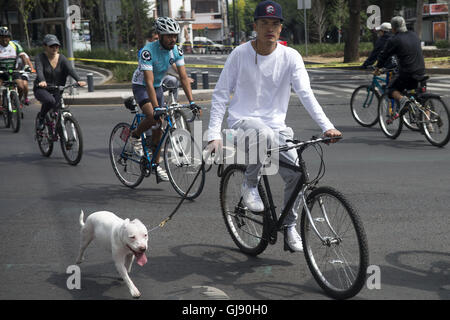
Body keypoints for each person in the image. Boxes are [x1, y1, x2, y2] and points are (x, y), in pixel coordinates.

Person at [206, 0, 341, 252]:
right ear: (255, 26)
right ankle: (249, 183)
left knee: (298, 175)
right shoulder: (239, 54)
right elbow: (221, 94)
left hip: (277, 128)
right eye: (264, 23)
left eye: (275, 24)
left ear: (281, 28)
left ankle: (289, 226)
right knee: (262, 133)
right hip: (241, 124)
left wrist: (327, 126)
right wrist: (214, 133)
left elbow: (306, 93)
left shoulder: (290, 57)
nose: (270, 28)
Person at [130, 17, 200, 181]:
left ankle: (154, 164)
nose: (173, 39)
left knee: (158, 126)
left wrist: (192, 102)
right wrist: (156, 108)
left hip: (157, 86)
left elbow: (183, 78)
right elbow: (148, 81)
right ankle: (135, 135)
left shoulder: (176, 50)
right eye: (169, 36)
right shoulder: (148, 51)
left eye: (175, 35)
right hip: (141, 86)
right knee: (152, 116)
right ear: (160, 35)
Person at [375, 16, 426, 120]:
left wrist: (377, 68)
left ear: (393, 28)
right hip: (421, 71)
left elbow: (384, 56)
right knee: (422, 98)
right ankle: (428, 122)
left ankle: (403, 100)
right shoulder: (414, 35)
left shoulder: (394, 40)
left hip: (407, 73)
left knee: (390, 89)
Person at [34, 34, 86, 129]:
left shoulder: (62, 58)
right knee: (50, 101)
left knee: (57, 110)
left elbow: (70, 70)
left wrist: (79, 80)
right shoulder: (40, 57)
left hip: (57, 89)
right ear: (45, 46)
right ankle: (41, 117)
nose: (54, 48)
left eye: (56, 46)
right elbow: (39, 70)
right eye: (51, 46)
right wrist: (42, 81)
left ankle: (60, 134)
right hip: (42, 89)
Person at [0, 27, 32, 103]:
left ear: (9, 38)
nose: (4, 39)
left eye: (6, 37)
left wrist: (26, 66)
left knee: (21, 87)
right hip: (1, 72)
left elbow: (23, 56)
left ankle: (18, 101)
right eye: (1, 37)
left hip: (13, 70)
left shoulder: (15, 45)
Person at [13, 41, 34, 105]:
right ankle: (13, 99)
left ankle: (25, 98)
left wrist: (31, 68)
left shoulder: (23, 55)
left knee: (25, 85)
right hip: (14, 72)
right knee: (13, 87)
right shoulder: (11, 54)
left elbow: (28, 62)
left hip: (22, 72)